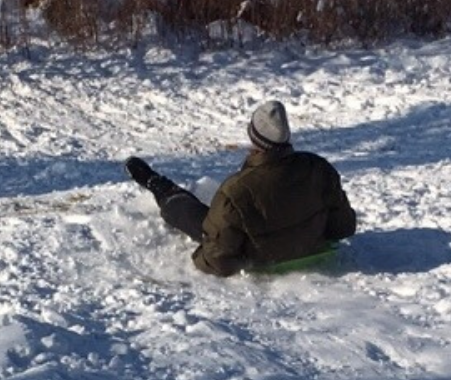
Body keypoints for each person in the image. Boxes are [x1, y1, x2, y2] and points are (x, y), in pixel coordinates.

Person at [125, 100, 356, 277]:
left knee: (193, 215)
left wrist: (203, 252)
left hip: (261, 256)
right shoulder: (318, 167)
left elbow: (218, 260)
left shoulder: (236, 190)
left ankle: (162, 188)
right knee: (229, 210)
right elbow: (343, 226)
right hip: (310, 245)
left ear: (255, 140)